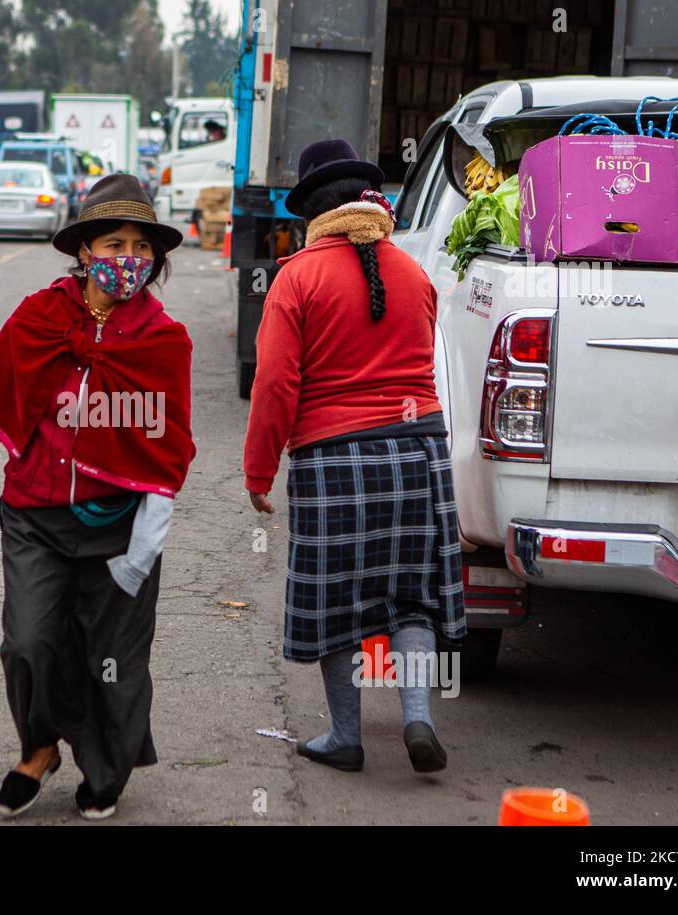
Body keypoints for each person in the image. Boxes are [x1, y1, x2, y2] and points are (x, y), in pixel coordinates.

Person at [0, 173, 195, 819]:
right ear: (83, 250)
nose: (126, 257)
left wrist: (146, 541)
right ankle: (40, 745)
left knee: (112, 658)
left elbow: (168, 454)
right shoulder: (38, 317)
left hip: (121, 523)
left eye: (140, 244)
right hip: (34, 515)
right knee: (28, 642)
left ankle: (104, 771)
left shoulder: (162, 340)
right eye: (112, 242)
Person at [242, 139, 466, 774]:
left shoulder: (297, 277)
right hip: (420, 454)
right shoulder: (412, 273)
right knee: (414, 595)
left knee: (336, 600)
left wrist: (259, 470)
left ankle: (347, 736)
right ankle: (417, 717)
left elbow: (276, 383)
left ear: (310, 213)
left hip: (332, 459)